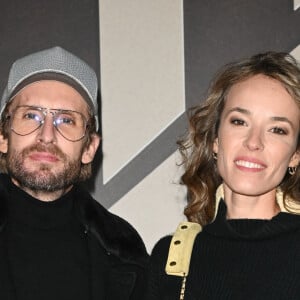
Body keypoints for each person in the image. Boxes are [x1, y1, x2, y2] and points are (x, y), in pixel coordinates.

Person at [146, 51, 300, 300]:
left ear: (295, 155)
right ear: (215, 140)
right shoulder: (171, 260)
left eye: (277, 129)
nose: (254, 142)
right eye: (239, 122)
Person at [0, 46, 148, 300]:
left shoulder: (124, 250)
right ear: (3, 137)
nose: (46, 136)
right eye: (31, 116)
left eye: (66, 120)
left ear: (89, 148)